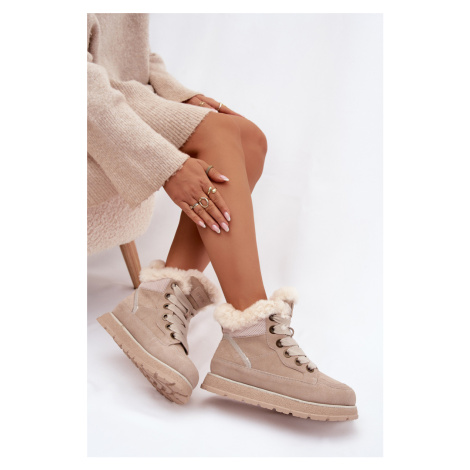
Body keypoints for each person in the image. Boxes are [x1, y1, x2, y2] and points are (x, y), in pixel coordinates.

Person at [88, 13, 357, 421]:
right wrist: (165, 166)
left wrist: (181, 96)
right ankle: (251, 336)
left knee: (248, 138)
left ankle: (157, 300)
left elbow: (134, 55)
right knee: (218, 135)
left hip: (117, 95)